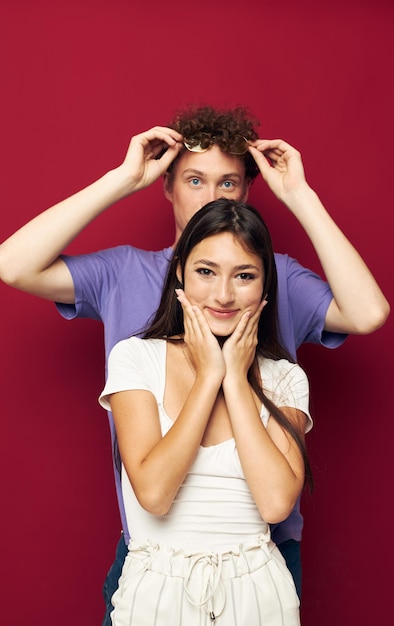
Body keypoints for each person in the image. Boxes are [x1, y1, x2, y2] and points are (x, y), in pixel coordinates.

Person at [0, 105, 389, 622]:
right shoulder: (126, 275)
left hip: (262, 552)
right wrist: (122, 180)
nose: (211, 197)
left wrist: (299, 195)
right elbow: (12, 264)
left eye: (228, 182)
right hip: (156, 553)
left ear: (247, 193)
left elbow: (367, 313)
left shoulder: (272, 278)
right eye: (194, 180)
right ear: (169, 186)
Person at [99, 198, 312, 625]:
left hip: (259, 595)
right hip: (155, 594)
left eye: (245, 276)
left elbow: (274, 505)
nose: (224, 295)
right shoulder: (135, 358)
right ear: (179, 270)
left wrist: (235, 381)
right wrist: (208, 376)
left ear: (266, 284)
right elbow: (155, 495)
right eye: (205, 271)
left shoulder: (286, 378)